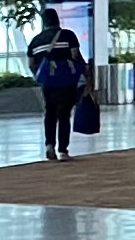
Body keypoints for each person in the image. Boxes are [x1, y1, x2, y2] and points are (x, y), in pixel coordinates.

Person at [24, 13, 89, 163]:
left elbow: (30, 64)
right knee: (64, 114)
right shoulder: (68, 35)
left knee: (50, 113)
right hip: (66, 81)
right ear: (57, 20)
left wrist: (40, 76)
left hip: (48, 82)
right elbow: (75, 55)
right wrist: (85, 71)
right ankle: (63, 151)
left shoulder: (35, 41)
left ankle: (49, 145)